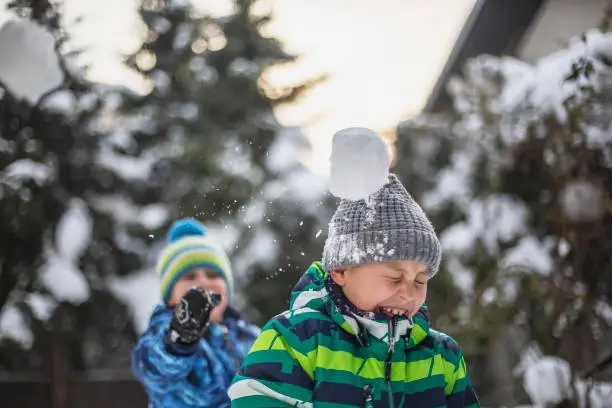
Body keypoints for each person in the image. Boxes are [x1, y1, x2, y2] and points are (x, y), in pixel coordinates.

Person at [229, 173, 479, 407]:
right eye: (394, 277)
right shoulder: (294, 339)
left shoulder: (441, 355)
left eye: (420, 281)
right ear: (340, 270)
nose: (407, 293)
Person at [132, 218, 260, 408]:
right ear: (170, 297)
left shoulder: (250, 337)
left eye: (213, 275)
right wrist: (180, 339)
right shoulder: (161, 332)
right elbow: (156, 368)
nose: (204, 282)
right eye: (190, 276)